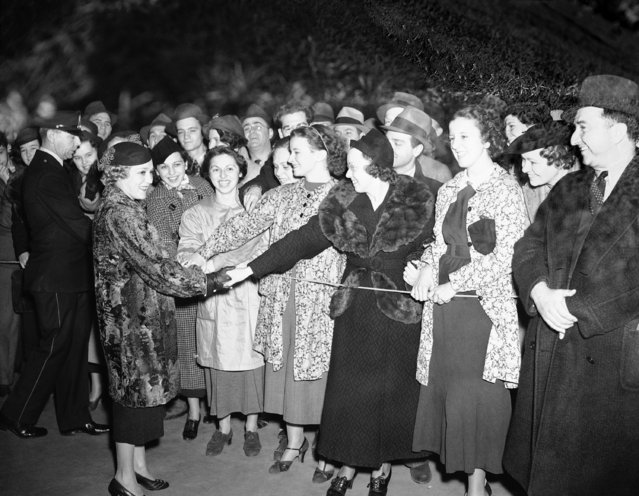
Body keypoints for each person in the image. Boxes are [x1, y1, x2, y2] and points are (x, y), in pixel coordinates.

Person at [224, 129, 435, 496]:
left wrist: (425, 267)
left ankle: (381, 468)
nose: (348, 174)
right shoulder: (342, 199)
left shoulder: (415, 199)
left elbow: (435, 245)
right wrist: (251, 268)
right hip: (354, 305)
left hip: (398, 306)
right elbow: (302, 240)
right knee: (351, 392)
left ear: (377, 167)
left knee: (389, 390)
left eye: (355, 167)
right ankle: (349, 464)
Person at [503, 75, 639, 496]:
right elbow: (528, 247)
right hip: (550, 345)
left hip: (609, 352)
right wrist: (538, 292)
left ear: (617, 129)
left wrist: (582, 310)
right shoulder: (570, 186)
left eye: (583, 126)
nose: (574, 137)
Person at [195, 124, 346, 481]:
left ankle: (327, 449)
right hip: (280, 296)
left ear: (321, 154)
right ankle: (294, 442)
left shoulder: (343, 195)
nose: (290, 159)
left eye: (296, 152)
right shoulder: (281, 195)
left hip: (321, 302)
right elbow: (243, 226)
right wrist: (204, 252)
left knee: (320, 374)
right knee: (286, 371)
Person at [92, 141, 228, 496]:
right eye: (142, 173)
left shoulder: (127, 205)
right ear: (118, 174)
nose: (150, 180)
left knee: (143, 399)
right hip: (129, 326)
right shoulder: (120, 214)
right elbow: (158, 269)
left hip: (142, 320)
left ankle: (137, 467)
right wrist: (208, 281)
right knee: (132, 402)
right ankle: (123, 478)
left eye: (150, 172)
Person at [407, 105, 528, 496]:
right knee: (452, 394)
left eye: (466, 137)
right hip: (445, 309)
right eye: (453, 137)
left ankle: (477, 487)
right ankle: (468, 478)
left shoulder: (505, 189)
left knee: (476, 395)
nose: (456, 145)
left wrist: (454, 283)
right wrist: (426, 269)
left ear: (488, 140)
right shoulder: (449, 189)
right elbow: (439, 244)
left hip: (481, 309)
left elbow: (507, 255)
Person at [0, 112, 109, 438]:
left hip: (71, 275)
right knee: (53, 345)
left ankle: (75, 417)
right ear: (52, 135)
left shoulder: (53, 169)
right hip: (55, 278)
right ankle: (16, 413)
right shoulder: (45, 173)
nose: (77, 142)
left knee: (73, 348)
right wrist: (115, 234)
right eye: (72, 136)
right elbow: (75, 223)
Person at [178, 146, 268, 457]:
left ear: (242, 172)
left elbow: (264, 251)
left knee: (253, 363)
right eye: (216, 169)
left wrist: (215, 259)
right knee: (218, 365)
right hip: (216, 300)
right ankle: (223, 427)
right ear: (208, 174)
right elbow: (187, 256)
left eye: (230, 169)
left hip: (251, 297)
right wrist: (208, 262)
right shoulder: (195, 214)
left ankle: (252, 428)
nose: (223, 176)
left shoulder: (255, 210)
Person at [146, 135, 214, 440]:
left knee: (213, 338)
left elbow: (219, 222)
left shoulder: (202, 186)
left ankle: (218, 403)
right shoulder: (155, 197)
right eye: (164, 167)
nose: (172, 172)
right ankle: (194, 410)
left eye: (176, 164)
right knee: (188, 343)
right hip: (182, 277)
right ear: (157, 171)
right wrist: (189, 259)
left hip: (213, 270)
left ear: (185, 163)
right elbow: (163, 240)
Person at [505, 120, 580, 222]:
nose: (524, 169)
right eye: (523, 160)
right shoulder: (530, 191)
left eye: (533, 162)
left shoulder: (590, 190)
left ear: (560, 160)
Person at [384, 106, 452, 184]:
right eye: (387, 141)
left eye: (397, 144)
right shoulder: (371, 178)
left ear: (417, 150)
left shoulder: (434, 190)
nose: (388, 148)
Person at [172, 103, 209, 174]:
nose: (186, 136)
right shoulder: (175, 165)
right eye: (181, 132)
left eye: (192, 130)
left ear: (203, 132)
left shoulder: (216, 158)